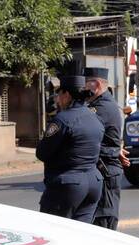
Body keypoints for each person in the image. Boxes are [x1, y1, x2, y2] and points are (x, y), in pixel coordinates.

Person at [36, 76, 104, 223]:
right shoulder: (94, 117)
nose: (57, 99)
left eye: (59, 95)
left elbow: (42, 153)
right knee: (81, 233)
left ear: (67, 95)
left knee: (53, 230)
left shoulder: (62, 119)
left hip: (68, 184)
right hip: (94, 182)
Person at [83, 67, 130, 230]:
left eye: (86, 84)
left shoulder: (102, 108)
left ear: (95, 84)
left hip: (106, 170)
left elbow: (85, 138)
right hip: (104, 168)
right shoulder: (98, 104)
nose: (83, 89)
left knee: (103, 222)